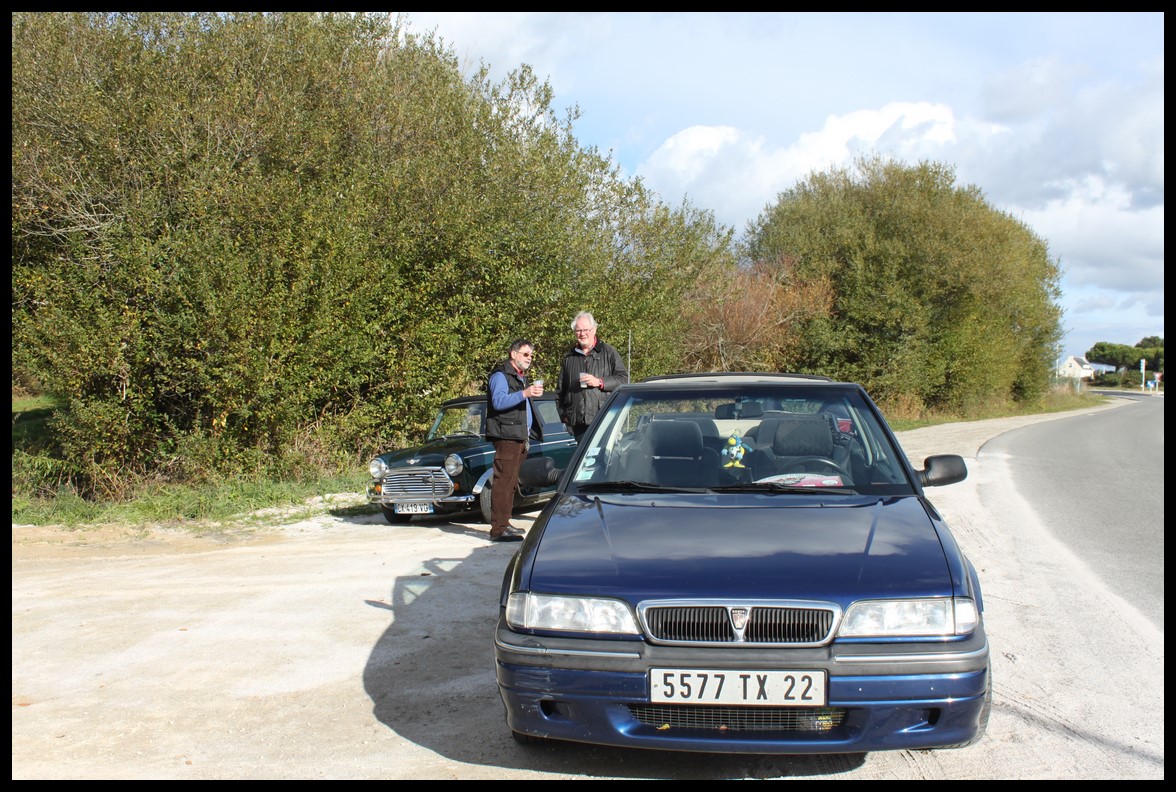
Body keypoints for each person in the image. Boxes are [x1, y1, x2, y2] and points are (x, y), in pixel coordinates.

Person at [485, 338, 544, 542]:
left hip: (519, 436)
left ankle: (505, 523)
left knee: (510, 483)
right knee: (502, 482)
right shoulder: (500, 376)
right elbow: (499, 402)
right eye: (526, 354)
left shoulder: (520, 377)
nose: (529, 359)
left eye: (531, 356)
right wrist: (524, 393)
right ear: (513, 354)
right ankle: (498, 529)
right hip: (506, 436)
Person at [557, 311, 629, 443]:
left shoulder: (608, 352)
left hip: (604, 418)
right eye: (578, 330)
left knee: (603, 459)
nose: (582, 334)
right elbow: (560, 390)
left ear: (594, 330)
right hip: (578, 423)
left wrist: (600, 382)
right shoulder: (569, 357)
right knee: (585, 462)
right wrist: (565, 416)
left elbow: (623, 379)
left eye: (586, 330)